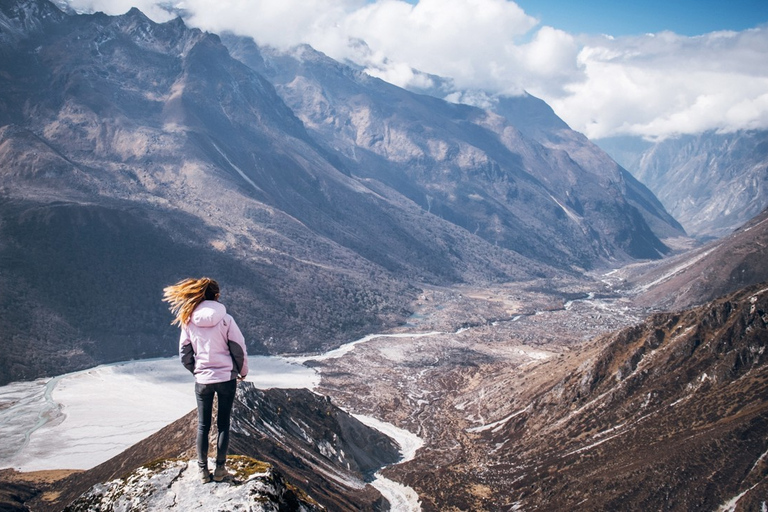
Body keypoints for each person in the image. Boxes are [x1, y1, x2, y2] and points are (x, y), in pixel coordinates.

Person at [162, 277, 249, 483]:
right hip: (226, 378)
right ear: (217, 295)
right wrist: (242, 372)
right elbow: (239, 349)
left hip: (202, 380)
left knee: (203, 425)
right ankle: (220, 469)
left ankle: (202, 471)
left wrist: (197, 371)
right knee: (223, 425)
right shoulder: (226, 319)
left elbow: (184, 354)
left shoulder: (188, 320)